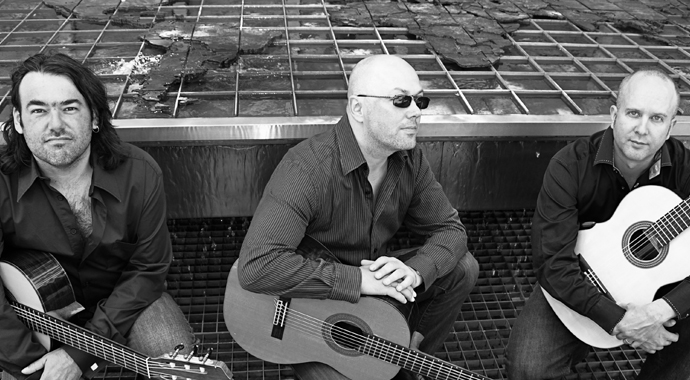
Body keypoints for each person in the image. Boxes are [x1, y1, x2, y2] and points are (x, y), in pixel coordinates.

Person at [236, 54, 479, 380]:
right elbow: (256, 267)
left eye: (420, 100)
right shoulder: (306, 168)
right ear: (358, 109)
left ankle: (407, 355)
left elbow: (451, 230)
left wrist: (414, 272)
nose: (416, 112)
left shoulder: (410, 160)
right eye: (400, 100)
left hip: (375, 293)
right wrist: (361, 281)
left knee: (463, 267)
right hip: (310, 310)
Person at [0, 53, 197, 380]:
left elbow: (148, 271)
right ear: (19, 122)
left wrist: (79, 354)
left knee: (172, 356)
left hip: (122, 300)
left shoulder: (140, 173)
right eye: (38, 110)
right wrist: (34, 369)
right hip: (31, 307)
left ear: (94, 117)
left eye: (69, 107)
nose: (55, 124)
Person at [507, 68, 690, 379]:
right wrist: (622, 321)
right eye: (633, 113)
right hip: (579, 283)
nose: (642, 129)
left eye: (657, 119)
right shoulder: (570, 165)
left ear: (671, 127)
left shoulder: (685, 169)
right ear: (614, 114)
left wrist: (663, 310)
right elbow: (552, 262)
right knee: (527, 369)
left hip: (660, 292)